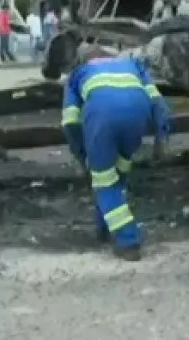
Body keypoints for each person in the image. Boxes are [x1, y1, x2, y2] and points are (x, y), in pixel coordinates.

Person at [61, 45, 171, 261]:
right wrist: (162, 137)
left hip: (102, 119)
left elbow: (70, 121)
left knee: (104, 181)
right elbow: (158, 102)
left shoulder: (78, 74)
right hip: (137, 118)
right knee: (118, 173)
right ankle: (104, 227)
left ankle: (128, 241)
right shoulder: (133, 65)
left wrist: (81, 154)